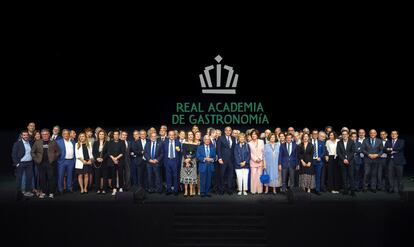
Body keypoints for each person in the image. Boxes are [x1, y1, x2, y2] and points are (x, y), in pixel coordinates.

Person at [31, 128, 60, 199]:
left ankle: (51, 192)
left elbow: (58, 151)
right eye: (43, 134)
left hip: (50, 164)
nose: (45, 135)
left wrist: (53, 158)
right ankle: (43, 192)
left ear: (49, 134)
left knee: (51, 178)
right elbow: (32, 152)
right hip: (40, 163)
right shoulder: (37, 142)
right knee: (42, 178)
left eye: (46, 134)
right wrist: (36, 160)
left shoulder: (53, 142)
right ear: (41, 135)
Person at [12, 130, 34, 200]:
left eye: (27, 135)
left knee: (29, 178)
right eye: (24, 135)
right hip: (21, 163)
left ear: (28, 135)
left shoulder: (30, 142)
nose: (26, 136)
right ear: (21, 136)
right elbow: (13, 154)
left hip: (29, 163)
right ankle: (19, 192)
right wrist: (17, 164)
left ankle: (27, 191)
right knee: (19, 178)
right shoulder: (17, 143)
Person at [216, 126, 236, 195]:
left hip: (231, 160)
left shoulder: (233, 138)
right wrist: (219, 158)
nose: (228, 132)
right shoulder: (220, 138)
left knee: (230, 175)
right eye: (226, 130)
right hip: (223, 160)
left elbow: (234, 149)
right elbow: (218, 149)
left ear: (231, 131)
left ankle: (229, 189)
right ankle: (221, 190)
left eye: (229, 130)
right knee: (222, 175)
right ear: (224, 131)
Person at [56, 129, 76, 195]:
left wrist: (74, 160)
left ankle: (69, 188)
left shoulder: (73, 142)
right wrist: (58, 159)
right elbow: (55, 151)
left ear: (69, 134)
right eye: (64, 134)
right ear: (62, 135)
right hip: (62, 161)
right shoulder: (58, 142)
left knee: (70, 176)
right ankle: (60, 189)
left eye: (67, 133)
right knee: (61, 176)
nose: (66, 135)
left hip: (71, 161)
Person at [337, 130, 356, 196]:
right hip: (342, 162)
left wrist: (347, 159)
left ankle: (352, 191)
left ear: (348, 135)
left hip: (350, 162)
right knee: (344, 177)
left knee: (351, 176)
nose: (344, 135)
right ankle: (345, 190)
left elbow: (353, 152)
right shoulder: (339, 143)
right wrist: (344, 159)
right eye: (343, 134)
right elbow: (338, 152)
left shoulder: (351, 142)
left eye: (345, 134)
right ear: (342, 135)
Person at [107, 130, 126, 196]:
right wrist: (113, 159)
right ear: (113, 135)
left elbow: (123, 152)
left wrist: (117, 158)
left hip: (120, 161)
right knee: (113, 175)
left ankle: (121, 187)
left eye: (117, 134)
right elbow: (109, 152)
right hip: (112, 161)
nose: (116, 135)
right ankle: (114, 188)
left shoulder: (122, 142)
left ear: (119, 135)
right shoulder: (110, 142)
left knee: (120, 174)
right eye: (114, 134)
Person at [180, 131, 198, 197]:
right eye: (189, 135)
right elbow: (183, 152)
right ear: (187, 136)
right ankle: (185, 191)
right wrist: (186, 160)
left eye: (191, 135)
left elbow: (196, 153)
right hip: (184, 160)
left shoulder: (196, 144)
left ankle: (190, 191)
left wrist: (190, 159)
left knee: (191, 176)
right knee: (185, 175)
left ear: (193, 136)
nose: (190, 136)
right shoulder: (184, 143)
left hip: (193, 161)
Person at [163, 130, 181, 196]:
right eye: (170, 135)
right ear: (168, 135)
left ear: (174, 135)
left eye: (172, 135)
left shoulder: (177, 142)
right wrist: (164, 162)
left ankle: (176, 190)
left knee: (175, 176)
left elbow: (180, 153)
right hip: (167, 161)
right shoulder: (165, 142)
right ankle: (168, 190)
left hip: (175, 161)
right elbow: (163, 153)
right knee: (168, 176)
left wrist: (178, 162)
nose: (171, 136)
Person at [248, 129, 264, 194]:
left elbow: (263, 151)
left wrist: (260, 158)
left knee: (259, 176)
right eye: (253, 134)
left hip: (260, 161)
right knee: (253, 176)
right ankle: (253, 190)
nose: (254, 135)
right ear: (251, 135)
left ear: (257, 135)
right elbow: (250, 153)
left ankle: (260, 190)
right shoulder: (249, 143)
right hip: (253, 161)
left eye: (255, 134)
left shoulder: (261, 141)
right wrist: (255, 159)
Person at [92, 130, 108, 194]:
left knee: (105, 176)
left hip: (104, 161)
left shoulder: (107, 142)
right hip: (97, 162)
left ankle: (104, 189)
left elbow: (108, 152)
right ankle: (98, 189)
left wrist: (102, 158)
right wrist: (97, 158)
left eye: (102, 134)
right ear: (98, 135)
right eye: (100, 134)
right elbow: (93, 152)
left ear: (104, 135)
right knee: (97, 176)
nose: (101, 135)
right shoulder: (95, 143)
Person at [311, 130, 325, 195]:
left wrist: (320, 157)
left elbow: (323, 152)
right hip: (310, 161)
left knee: (318, 176)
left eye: (316, 134)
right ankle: (310, 189)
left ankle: (317, 190)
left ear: (317, 135)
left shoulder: (321, 142)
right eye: (314, 134)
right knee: (310, 176)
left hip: (318, 162)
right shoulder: (309, 142)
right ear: (312, 134)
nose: (315, 135)